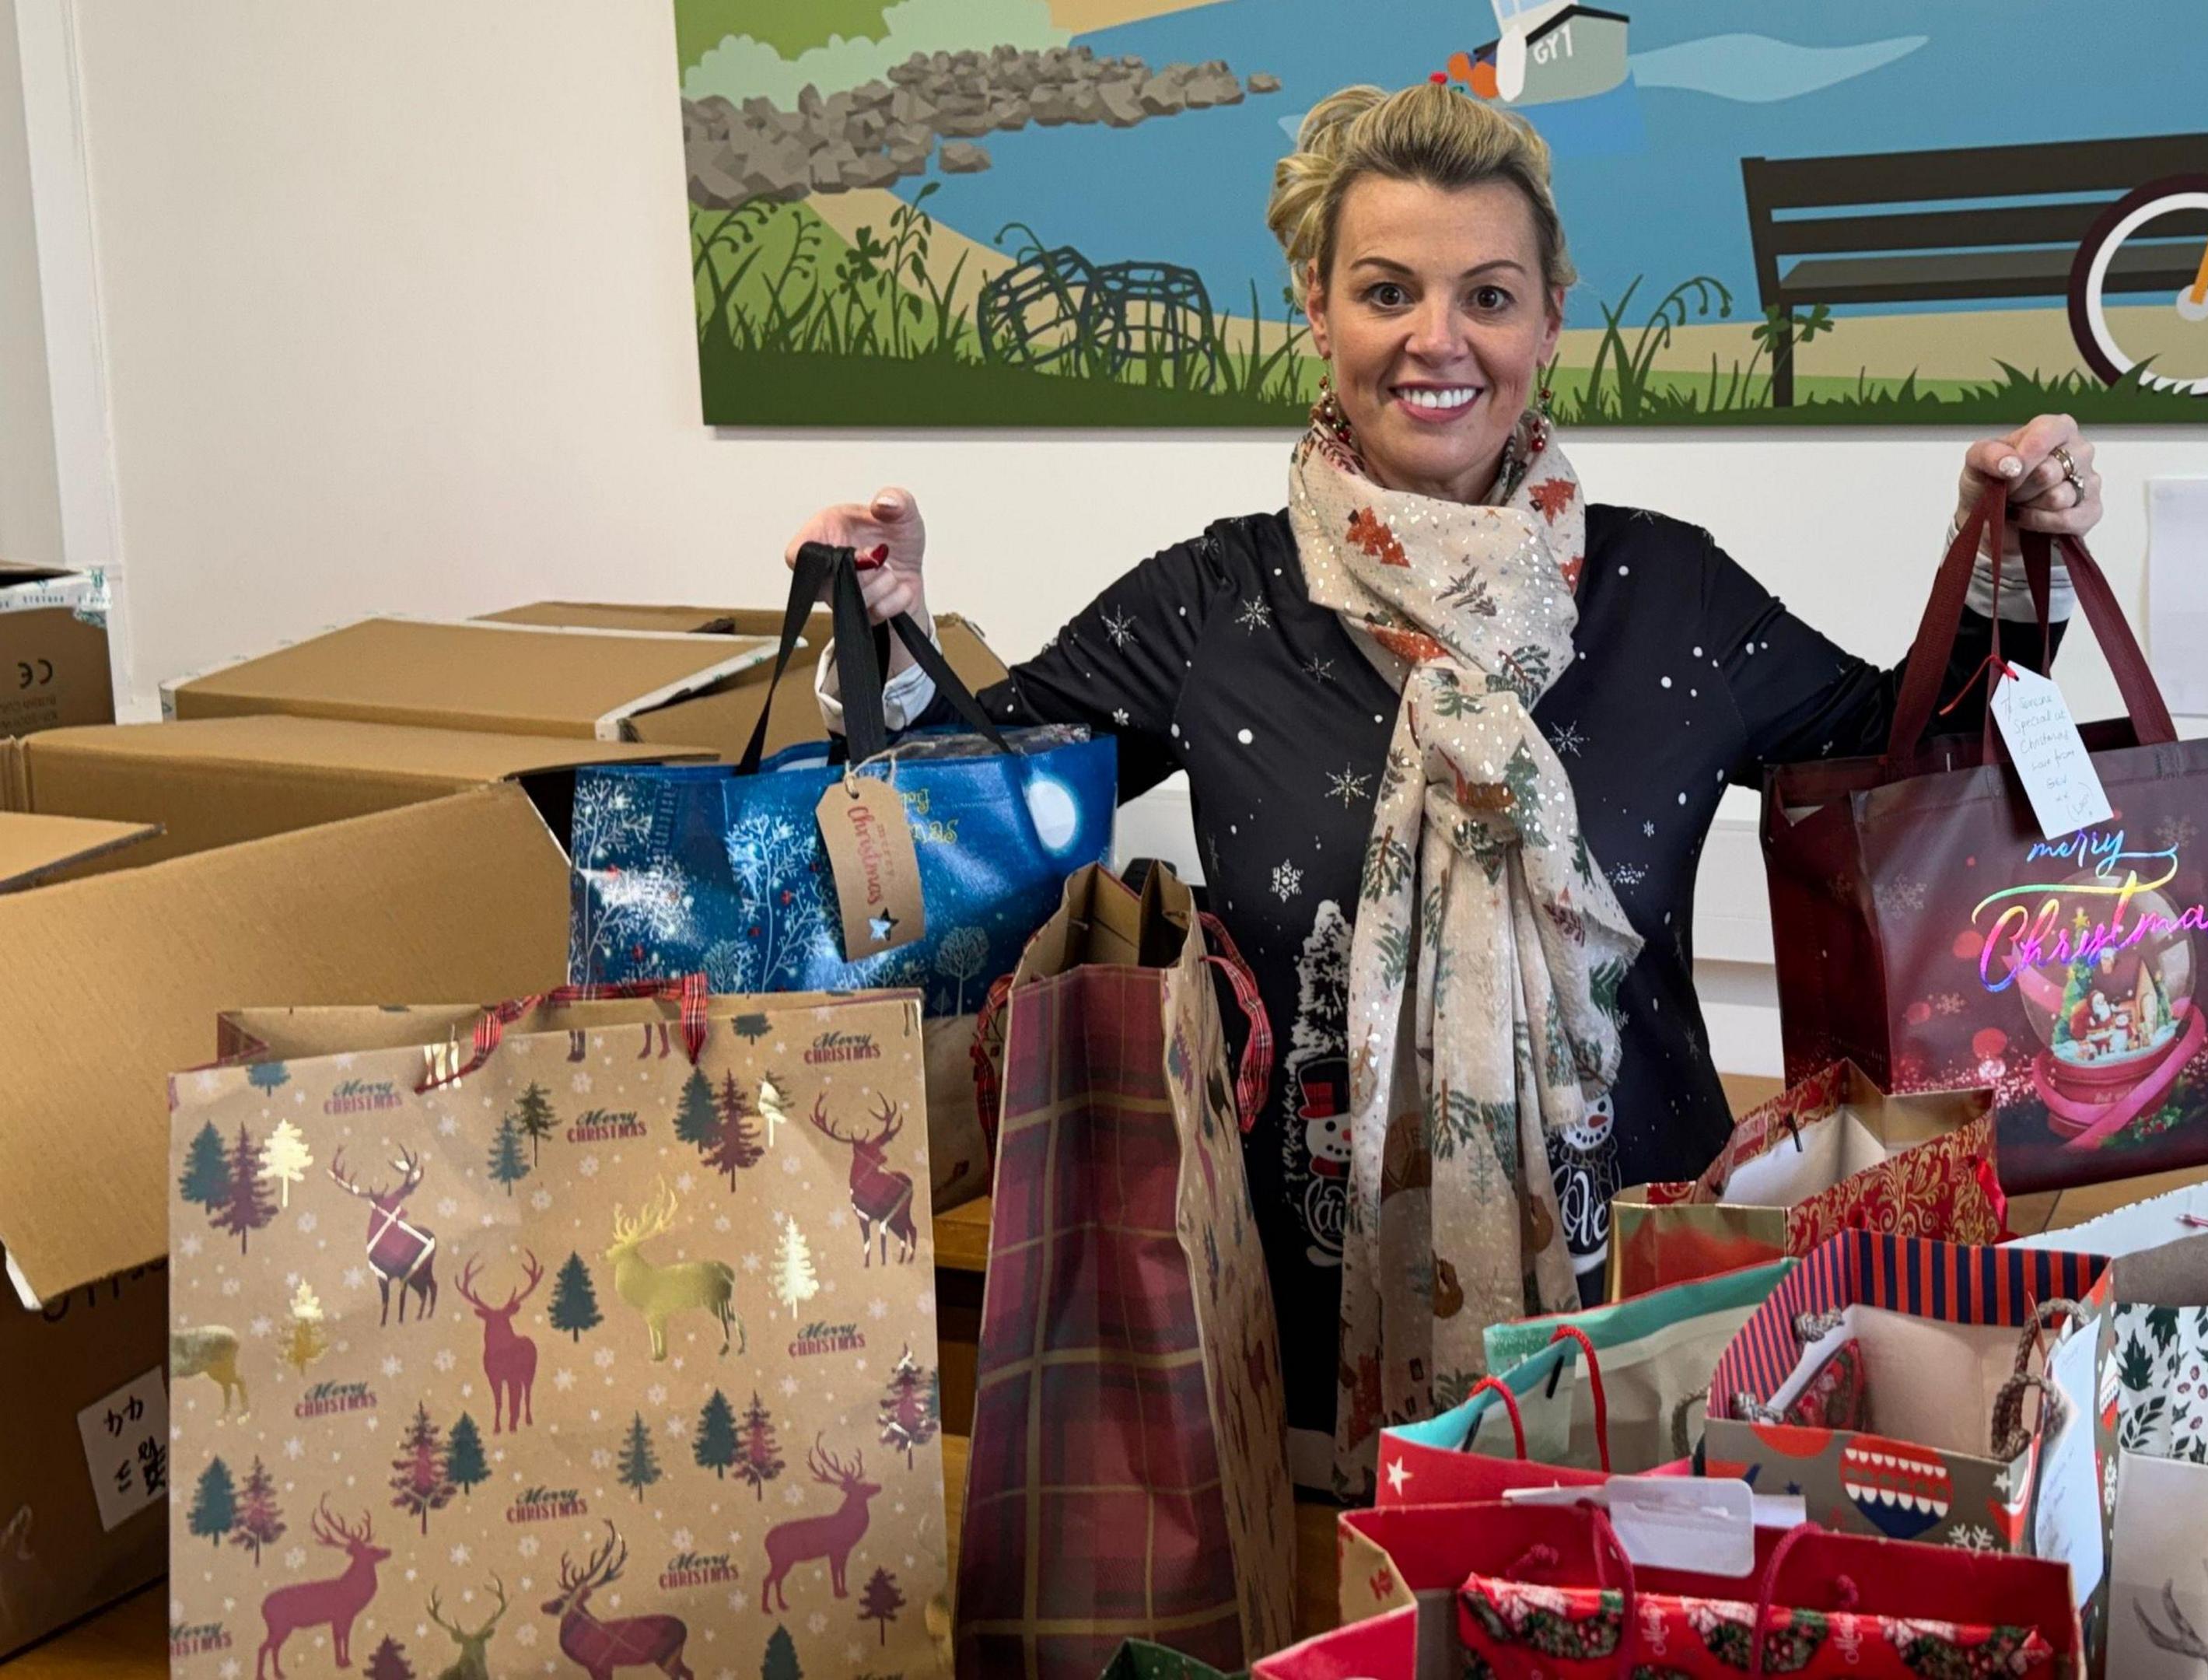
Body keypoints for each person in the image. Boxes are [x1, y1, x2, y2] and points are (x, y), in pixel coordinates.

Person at [784, 80, 2105, 1493]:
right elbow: (994, 810)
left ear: (1550, 319)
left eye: (1488, 295)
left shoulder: (1676, 594)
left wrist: (2007, 566)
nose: (1438, 340)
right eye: (1385, 290)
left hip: (1659, 1330)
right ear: (1316, 303)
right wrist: (892, 632)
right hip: (1298, 1348)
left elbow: (1914, 769)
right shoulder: (1215, 602)